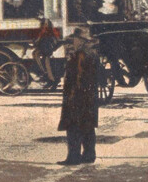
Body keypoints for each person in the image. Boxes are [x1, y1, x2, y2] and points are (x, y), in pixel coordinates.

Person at [58, 26, 100, 165]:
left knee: (73, 126)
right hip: (89, 96)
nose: (73, 42)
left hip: (78, 95)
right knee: (87, 126)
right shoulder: (92, 53)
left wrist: (72, 94)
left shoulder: (81, 55)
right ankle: (89, 155)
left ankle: (74, 157)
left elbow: (78, 76)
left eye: (75, 39)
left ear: (80, 40)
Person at [30, 17, 62, 89]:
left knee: (46, 63)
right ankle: (47, 76)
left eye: (45, 24)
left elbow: (39, 40)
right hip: (45, 49)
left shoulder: (48, 31)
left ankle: (50, 79)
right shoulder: (47, 31)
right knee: (36, 55)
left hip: (46, 50)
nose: (44, 25)